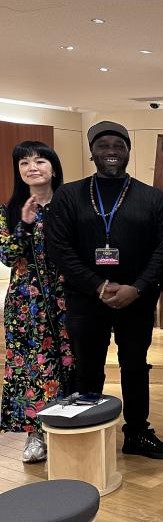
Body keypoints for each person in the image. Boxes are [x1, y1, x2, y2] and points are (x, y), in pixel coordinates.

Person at [47, 121, 163, 459]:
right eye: (103, 145)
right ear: (92, 152)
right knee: (88, 368)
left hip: (136, 299)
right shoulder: (68, 195)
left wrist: (138, 287)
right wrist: (98, 285)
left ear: (129, 151)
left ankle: (137, 433)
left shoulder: (151, 197)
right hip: (85, 298)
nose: (112, 151)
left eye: (119, 145)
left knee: (135, 366)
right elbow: (59, 248)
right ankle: (88, 435)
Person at [0, 141, 73, 463]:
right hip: (26, 306)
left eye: (40, 160)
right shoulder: (8, 211)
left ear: (53, 168)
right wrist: (25, 225)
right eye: (24, 162)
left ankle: (71, 427)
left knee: (70, 362)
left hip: (67, 298)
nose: (32, 167)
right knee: (33, 368)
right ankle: (36, 434)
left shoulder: (69, 205)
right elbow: (7, 256)